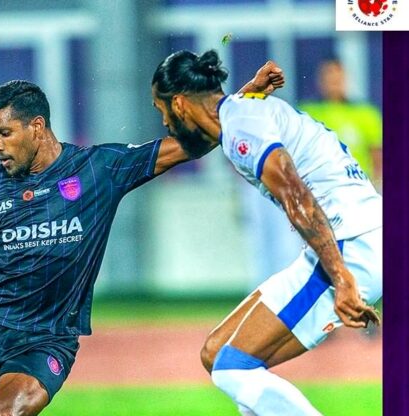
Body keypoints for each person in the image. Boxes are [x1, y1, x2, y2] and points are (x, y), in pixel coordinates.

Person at [0, 63, 283, 416]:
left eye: (5, 133)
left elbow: (190, 144)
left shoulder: (99, 170)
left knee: (5, 413)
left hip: (45, 338)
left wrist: (245, 97)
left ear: (37, 126)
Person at [150, 49, 382, 415]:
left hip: (352, 245)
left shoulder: (242, 123)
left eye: (160, 109)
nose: (164, 121)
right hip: (354, 237)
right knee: (216, 353)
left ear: (178, 104)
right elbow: (226, 123)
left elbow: (296, 194)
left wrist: (342, 278)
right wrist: (248, 90)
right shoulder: (241, 114)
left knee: (233, 368)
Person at [299, 59, 383, 192]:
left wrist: (373, 189)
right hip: (320, 189)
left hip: (358, 188)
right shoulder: (307, 112)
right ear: (320, 80)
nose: (333, 81)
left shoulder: (366, 113)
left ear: (345, 78)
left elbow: (377, 159)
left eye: (337, 77)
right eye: (329, 76)